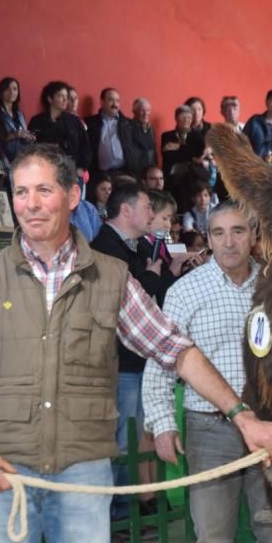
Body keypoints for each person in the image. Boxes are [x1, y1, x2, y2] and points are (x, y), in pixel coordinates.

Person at [0, 143, 272, 543]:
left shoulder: (111, 277)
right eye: (21, 192)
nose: (30, 203)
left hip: (84, 472)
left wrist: (243, 416)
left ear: (71, 195)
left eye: (43, 190)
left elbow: (175, 350)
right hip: (6, 472)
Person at [142, 202, 272, 543]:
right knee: (212, 541)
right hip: (208, 429)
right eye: (219, 233)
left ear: (253, 236)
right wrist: (164, 424)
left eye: (238, 231)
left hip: (269, 427)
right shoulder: (186, 291)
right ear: (207, 239)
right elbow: (160, 360)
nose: (229, 241)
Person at [89, 183, 185, 521]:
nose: (151, 214)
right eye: (147, 207)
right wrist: (149, 275)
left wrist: (159, 273)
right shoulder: (103, 247)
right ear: (126, 211)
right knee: (125, 434)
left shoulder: (133, 247)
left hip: (139, 356)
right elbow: (122, 301)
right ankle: (121, 507)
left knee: (139, 431)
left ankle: (136, 503)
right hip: (121, 358)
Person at [28, 81, 90, 177]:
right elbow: (31, 146)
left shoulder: (74, 121)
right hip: (45, 172)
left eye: (66, 96)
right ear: (49, 99)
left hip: (71, 172)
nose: (65, 100)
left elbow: (86, 146)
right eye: (60, 96)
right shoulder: (37, 121)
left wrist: (82, 168)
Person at [86, 87, 146, 181]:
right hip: (101, 175)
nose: (115, 104)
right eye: (111, 100)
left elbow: (140, 149)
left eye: (117, 101)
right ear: (102, 102)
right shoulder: (90, 123)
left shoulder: (129, 125)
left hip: (126, 173)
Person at [0, 77, 35, 165]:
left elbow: (23, 133)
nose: (12, 92)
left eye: (15, 89)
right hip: (2, 157)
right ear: (0, 92)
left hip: (21, 158)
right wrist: (17, 134)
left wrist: (29, 136)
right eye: (7, 89)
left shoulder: (19, 113)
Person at [160, 105, 197, 180]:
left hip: (192, 178)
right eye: (183, 117)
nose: (186, 120)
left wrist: (179, 147)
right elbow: (169, 157)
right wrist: (188, 154)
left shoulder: (197, 136)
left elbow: (196, 154)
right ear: (176, 118)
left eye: (189, 118)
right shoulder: (166, 136)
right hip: (171, 177)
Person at [130, 97, 157, 169]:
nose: (145, 113)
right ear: (134, 112)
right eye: (142, 110)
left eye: (148, 110)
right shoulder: (128, 129)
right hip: (136, 170)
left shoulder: (151, 128)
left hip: (151, 169)